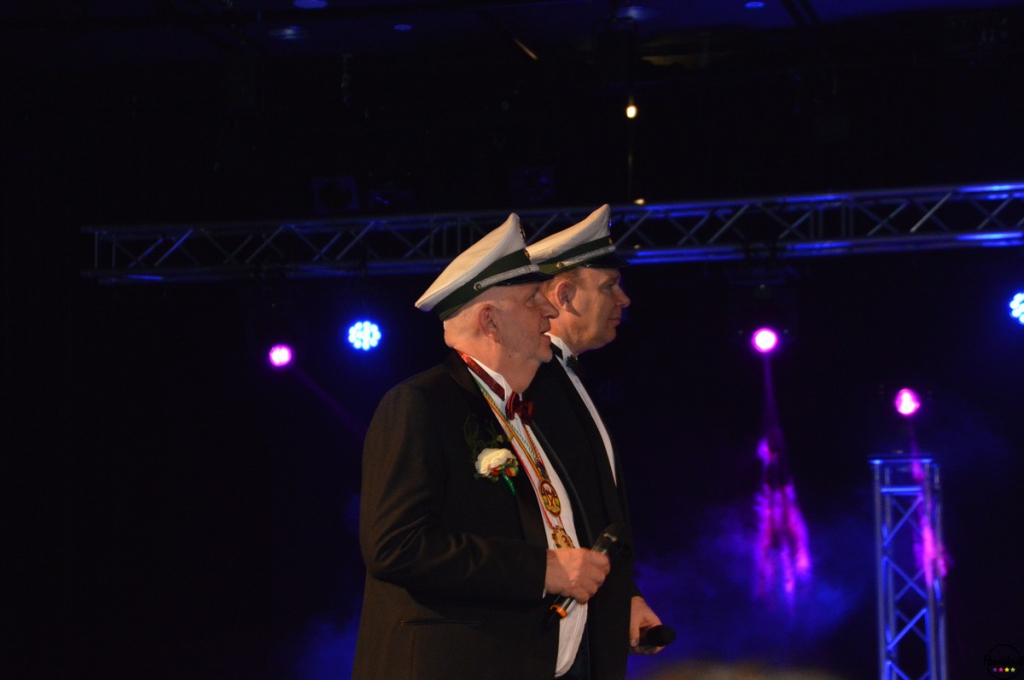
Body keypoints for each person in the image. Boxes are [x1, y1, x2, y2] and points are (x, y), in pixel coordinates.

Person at [352, 214, 616, 680]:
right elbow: (396, 546)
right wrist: (541, 569)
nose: (549, 311)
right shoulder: (420, 403)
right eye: (532, 299)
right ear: (490, 320)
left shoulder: (518, 409)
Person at [524, 204, 664, 680]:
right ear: (564, 295)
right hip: (542, 633)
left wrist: (625, 595)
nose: (624, 299)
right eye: (608, 286)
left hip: (581, 626)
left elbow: (587, 511)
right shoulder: (529, 382)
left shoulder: (566, 377)